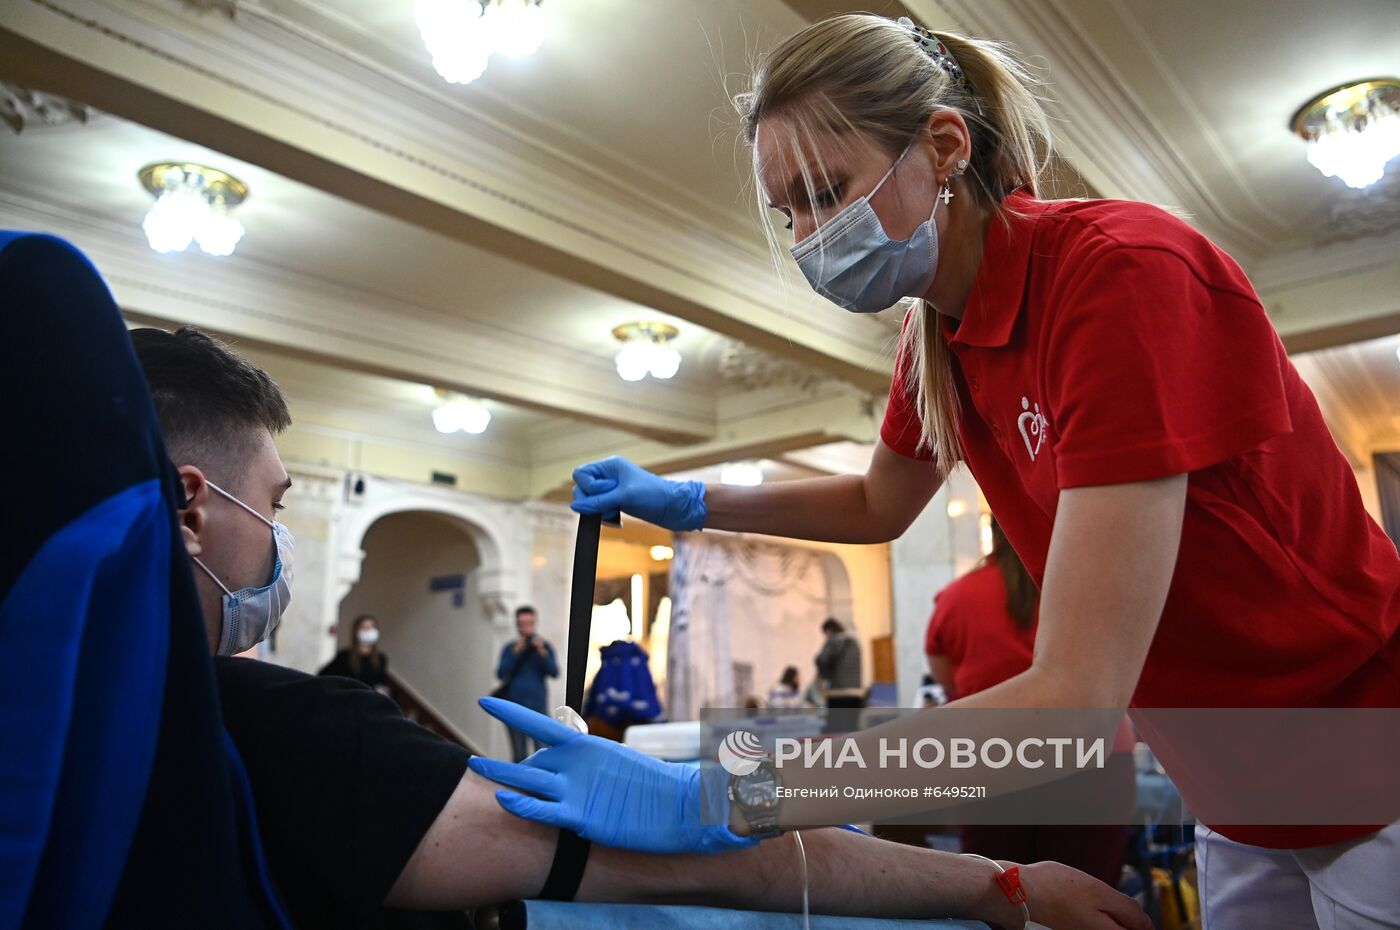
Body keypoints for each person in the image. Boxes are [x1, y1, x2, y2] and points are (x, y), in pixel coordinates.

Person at [477, 14, 1400, 930]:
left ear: (946, 146)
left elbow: (1072, 702)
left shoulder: (1117, 275)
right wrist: (686, 502)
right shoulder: (939, 337)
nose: (808, 237)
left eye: (828, 190)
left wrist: (725, 793)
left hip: (1361, 742)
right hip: (1233, 783)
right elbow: (879, 500)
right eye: (787, 210)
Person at [130, 325, 1145, 930]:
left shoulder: (89, 712)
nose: (280, 532)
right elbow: (728, 860)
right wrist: (1000, 887)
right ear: (191, 505)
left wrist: (697, 502)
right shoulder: (283, 726)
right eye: (276, 497)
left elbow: (886, 506)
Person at [927, 518, 1132, 888]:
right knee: (1090, 899)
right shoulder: (1092, 589)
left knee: (998, 895)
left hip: (993, 759)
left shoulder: (957, 597)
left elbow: (946, 678)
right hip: (1092, 759)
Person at [495, 605, 559, 761]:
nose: (526, 628)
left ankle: (541, 785)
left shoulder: (544, 646)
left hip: (538, 707)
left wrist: (542, 652)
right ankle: (518, 785)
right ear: (517, 624)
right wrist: (515, 653)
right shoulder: (510, 648)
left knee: (543, 752)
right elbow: (501, 673)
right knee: (519, 754)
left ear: (535, 623)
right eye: (522, 623)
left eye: (529, 623)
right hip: (514, 707)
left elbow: (554, 672)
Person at [320, 612, 391, 694]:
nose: (368, 631)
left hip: (370, 701)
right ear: (356, 631)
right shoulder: (344, 656)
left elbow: (381, 683)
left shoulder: (381, 658)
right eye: (364, 628)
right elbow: (324, 675)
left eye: (372, 627)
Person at [814, 618, 864, 709]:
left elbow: (821, 659)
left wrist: (825, 676)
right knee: (851, 722)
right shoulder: (854, 642)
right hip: (856, 693)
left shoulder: (834, 640)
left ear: (828, 630)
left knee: (837, 722)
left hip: (838, 693)